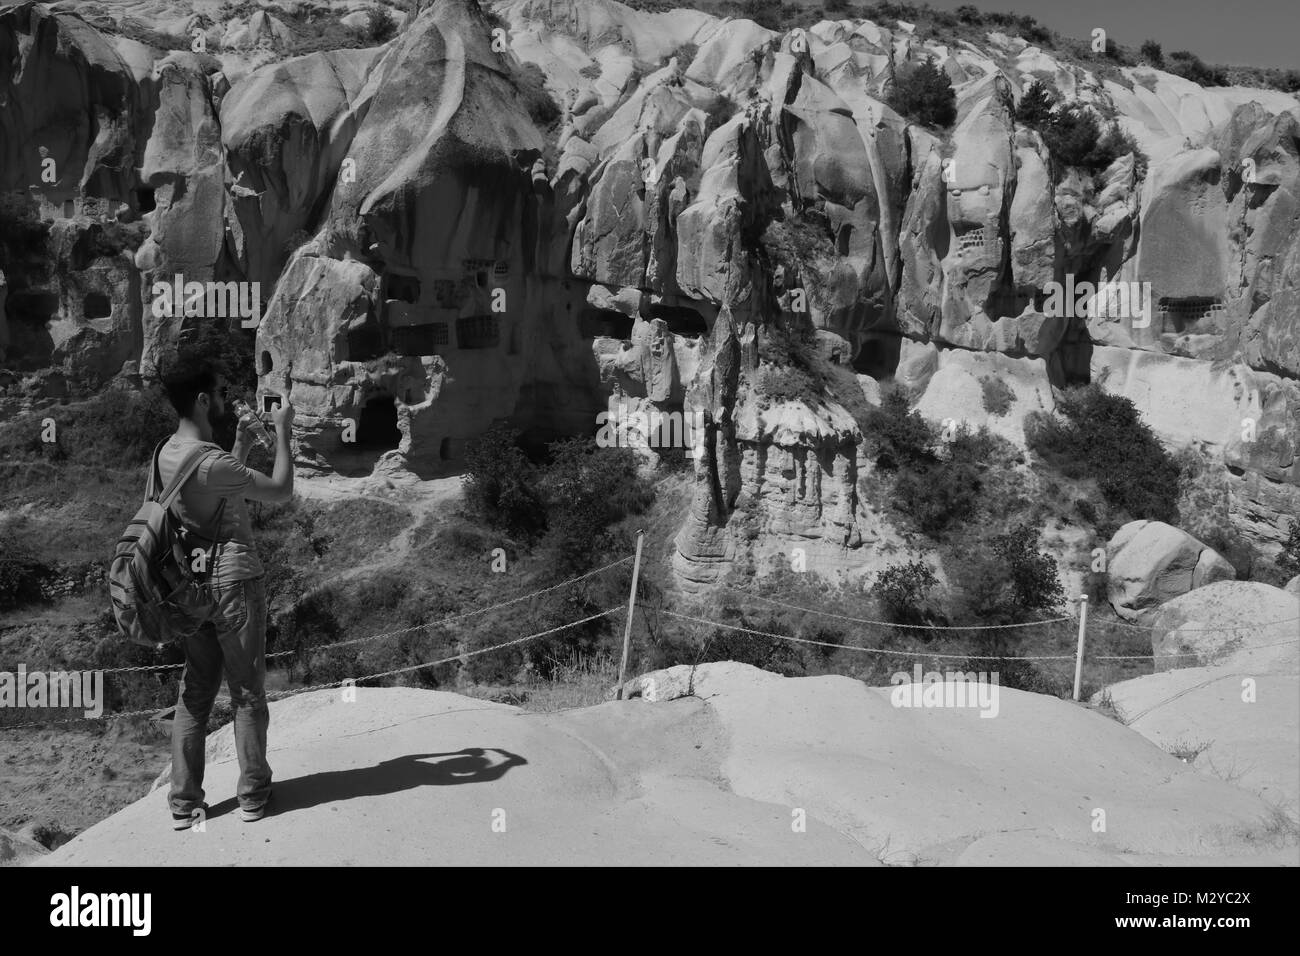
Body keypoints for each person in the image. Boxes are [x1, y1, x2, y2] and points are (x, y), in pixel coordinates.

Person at [156, 354, 295, 829]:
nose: (221, 400)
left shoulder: (164, 454)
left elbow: (209, 491)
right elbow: (279, 489)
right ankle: (253, 794)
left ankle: (184, 803)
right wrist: (283, 431)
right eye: (216, 394)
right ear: (200, 400)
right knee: (247, 694)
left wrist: (238, 443)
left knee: (195, 696)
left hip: (190, 589)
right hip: (233, 582)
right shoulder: (211, 462)